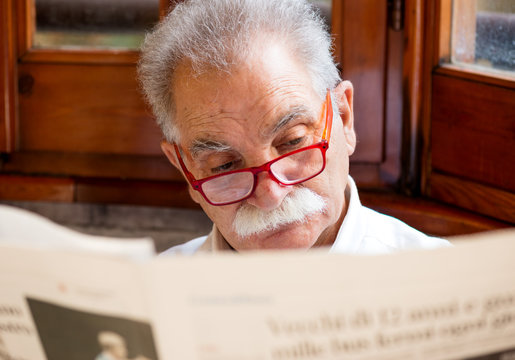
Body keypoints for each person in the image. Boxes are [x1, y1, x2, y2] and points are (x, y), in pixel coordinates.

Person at [138, 0, 449, 254]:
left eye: (292, 141)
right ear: (185, 168)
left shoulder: (444, 279)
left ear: (343, 117)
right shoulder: (151, 294)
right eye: (225, 165)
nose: (271, 195)